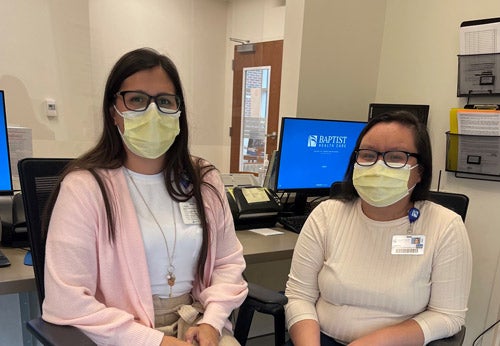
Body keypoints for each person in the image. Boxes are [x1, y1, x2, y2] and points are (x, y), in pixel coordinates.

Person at [41, 47, 248, 346]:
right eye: (136, 99)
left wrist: (213, 323)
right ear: (114, 111)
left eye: (164, 101)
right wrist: (156, 342)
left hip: (196, 324)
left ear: (178, 112)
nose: (152, 112)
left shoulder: (204, 180)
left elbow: (228, 263)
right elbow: (66, 299)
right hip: (120, 333)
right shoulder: (84, 187)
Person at [284, 111, 472, 346]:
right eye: (368, 155)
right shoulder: (326, 215)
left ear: (420, 171)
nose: (378, 165)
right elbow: (299, 296)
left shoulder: (445, 226)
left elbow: (448, 316)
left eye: (395, 157)